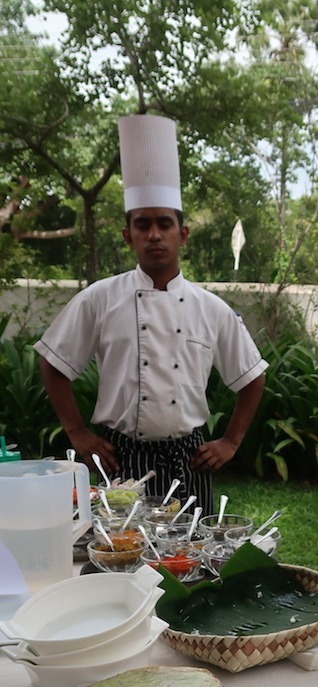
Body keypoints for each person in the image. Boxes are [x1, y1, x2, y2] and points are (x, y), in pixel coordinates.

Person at [34, 115, 266, 515]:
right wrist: (77, 432)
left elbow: (252, 375)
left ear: (183, 234)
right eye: (143, 225)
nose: (154, 235)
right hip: (119, 457)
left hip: (189, 458)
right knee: (120, 556)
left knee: (192, 564)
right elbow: (53, 362)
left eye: (165, 224)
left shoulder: (211, 309)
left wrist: (230, 441)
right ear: (128, 237)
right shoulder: (100, 299)